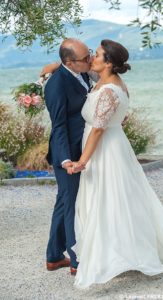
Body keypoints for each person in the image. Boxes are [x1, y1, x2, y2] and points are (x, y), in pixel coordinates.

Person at [67, 39, 163, 288]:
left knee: (107, 200)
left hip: (104, 150)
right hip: (111, 144)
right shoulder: (106, 83)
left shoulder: (109, 89)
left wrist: (82, 161)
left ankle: (110, 258)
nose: (91, 58)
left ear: (108, 63)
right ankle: (118, 250)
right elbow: (117, 118)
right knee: (116, 199)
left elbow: (98, 129)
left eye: (96, 55)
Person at [44, 38, 93, 275]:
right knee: (71, 203)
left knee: (64, 201)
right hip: (67, 155)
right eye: (85, 58)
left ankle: (54, 256)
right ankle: (76, 261)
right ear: (69, 62)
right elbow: (59, 125)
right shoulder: (56, 85)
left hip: (83, 147)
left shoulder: (82, 72)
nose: (90, 60)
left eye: (89, 54)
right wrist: (65, 161)